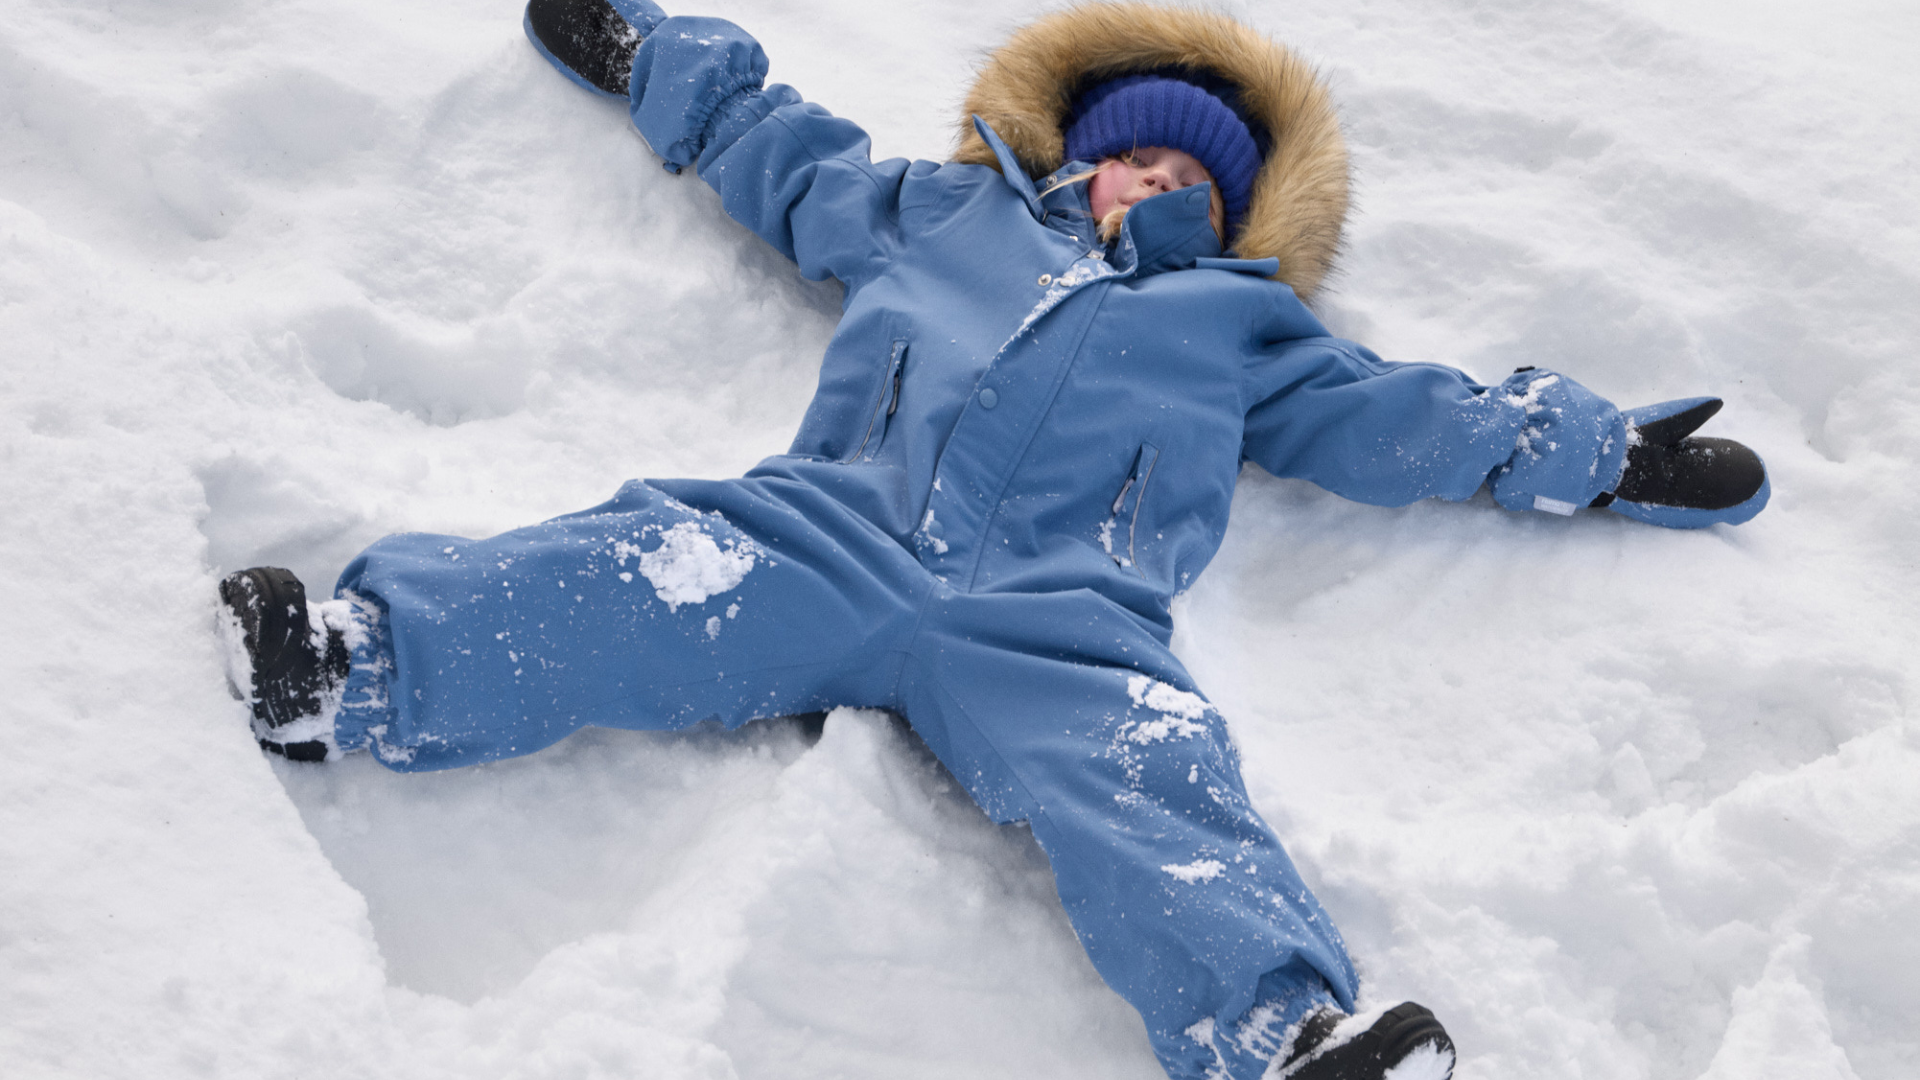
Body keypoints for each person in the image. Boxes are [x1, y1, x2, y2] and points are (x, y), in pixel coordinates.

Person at [218, 2, 1770, 1078]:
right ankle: (353, 664)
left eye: (1195, 178)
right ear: (1079, 147)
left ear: (1234, 213)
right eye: (1140, 154)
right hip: (837, 526)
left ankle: (1277, 1033)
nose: (1158, 180)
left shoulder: (1241, 324)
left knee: (1149, 775)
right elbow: (785, 153)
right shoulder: (949, 215)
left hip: (1061, 611)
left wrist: (1601, 453)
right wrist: (650, 59)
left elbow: (1409, 417)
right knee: (646, 572)